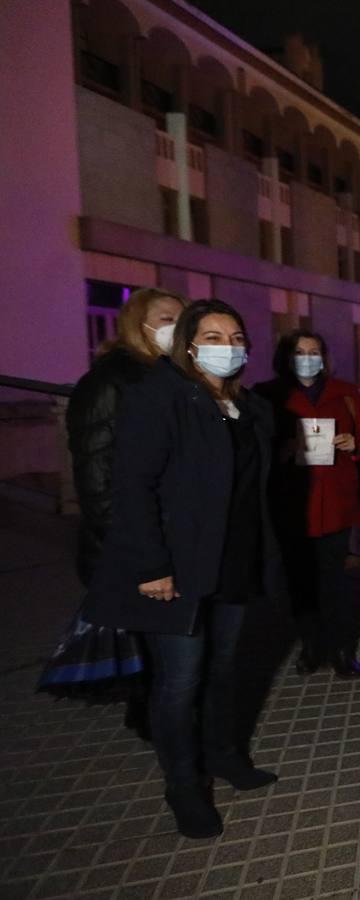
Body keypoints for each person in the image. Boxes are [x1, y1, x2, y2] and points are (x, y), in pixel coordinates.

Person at [84, 299, 287, 839]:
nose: (227, 346)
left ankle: (222, 755)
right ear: (188, 344)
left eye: (236, 335)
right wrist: (152, 565)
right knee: (179, 681)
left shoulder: (249, 406)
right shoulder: (161, 395)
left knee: (224, 670)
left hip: (233, 562)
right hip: (177, 567)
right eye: (213, 336)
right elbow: (132, 485)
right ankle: (182, 785)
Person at [66, 287, 187, 736]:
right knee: (151, 652)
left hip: (162, 537)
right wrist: (137, 551)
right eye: (166, 317)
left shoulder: (167, 376)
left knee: (162, 650)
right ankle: (157, 733)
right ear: (139, 322)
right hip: (129, 547)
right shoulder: (110, 380)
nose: (176, 325)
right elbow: (96, 479)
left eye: (181, 317)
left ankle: (161, 724)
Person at [258, 330, 360, 678]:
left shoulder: (345, 392)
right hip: (293, 504)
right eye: (300, 351)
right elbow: (257, 443)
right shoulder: (270, 394)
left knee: (335, 580)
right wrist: (284, 451)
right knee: (301, 581)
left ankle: (342, 648)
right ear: (286, 356)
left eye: (315, 351)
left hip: (336, 501)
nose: (308, 357)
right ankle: (312, 646)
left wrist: (353, 441)